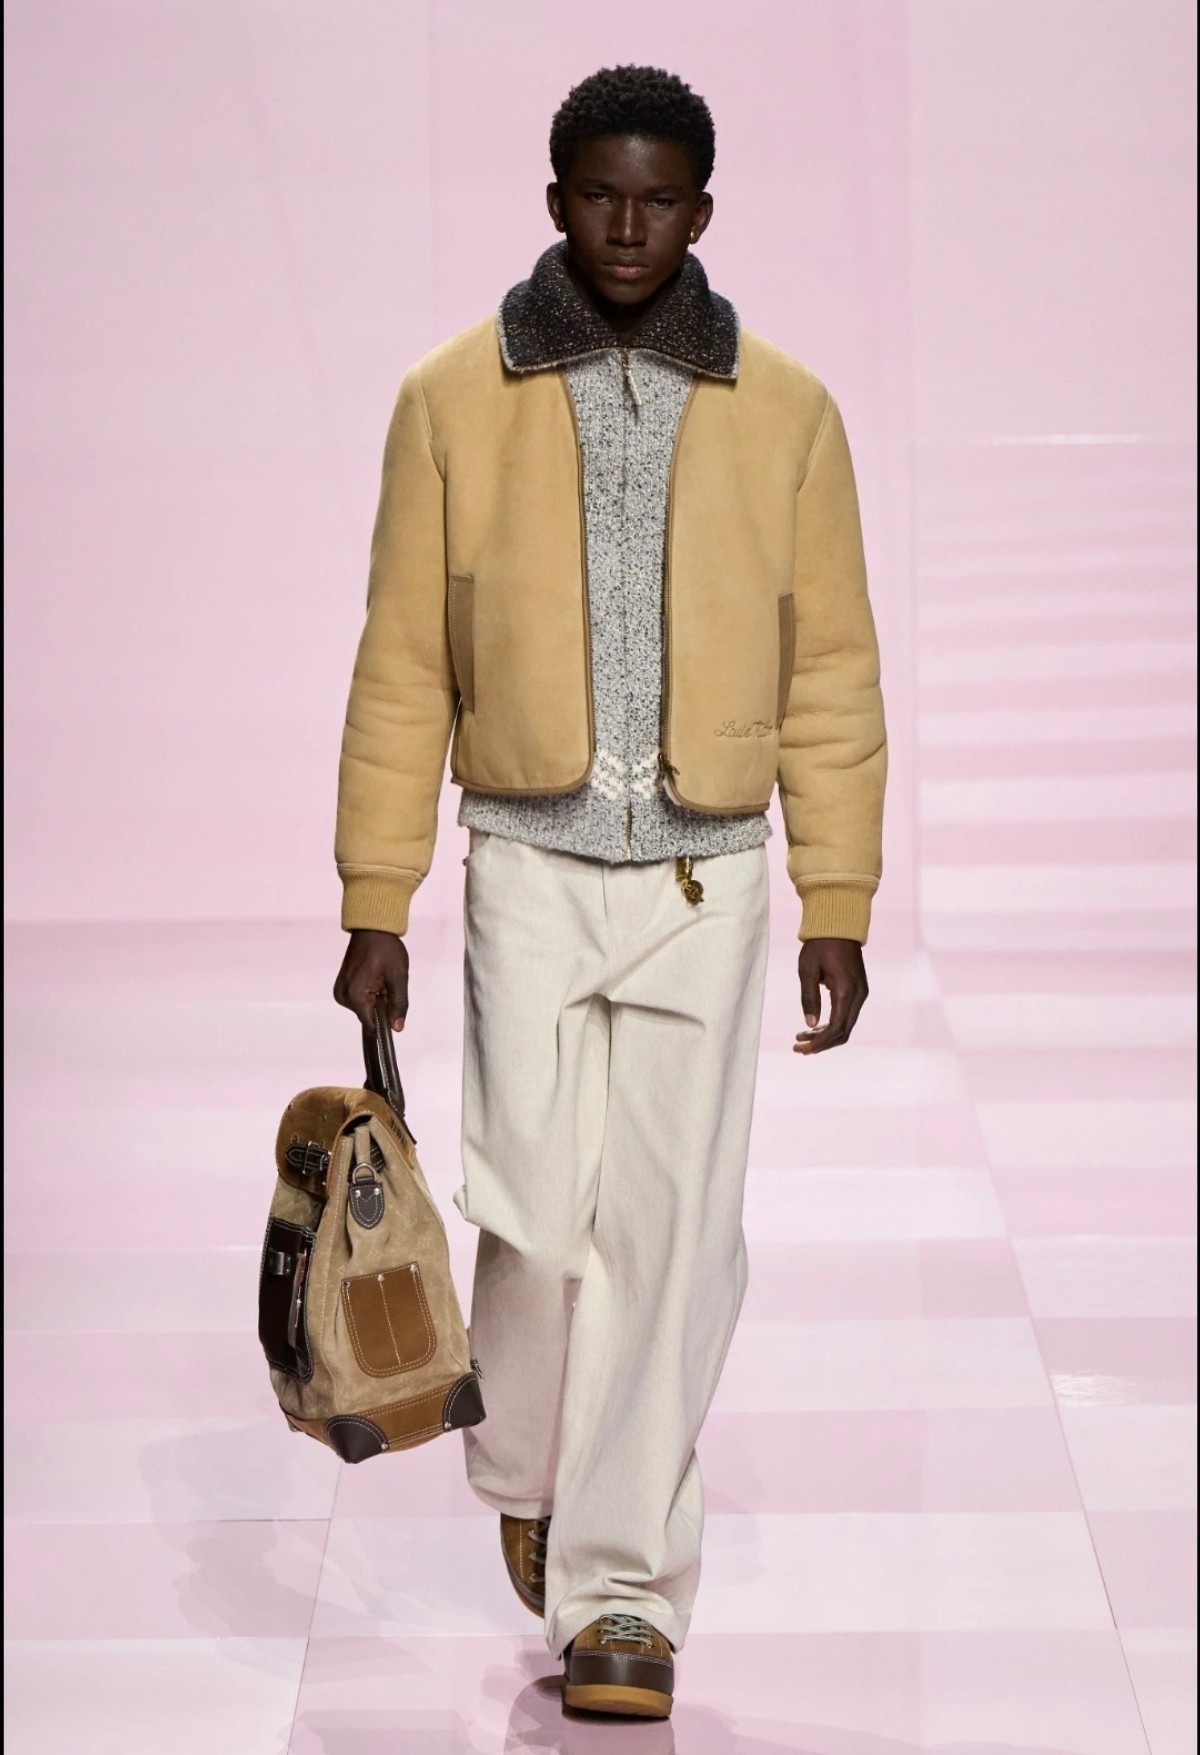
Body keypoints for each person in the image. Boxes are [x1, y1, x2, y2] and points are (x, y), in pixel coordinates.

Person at [333, 64, 886, 1721]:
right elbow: (402, 660)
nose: (628, 227)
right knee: (530, 1218)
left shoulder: (788, 410)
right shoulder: (455, 395)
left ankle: (622, 1589)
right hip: (526, 862)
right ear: (556, 198)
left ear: (702, 211)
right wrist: (377, 896)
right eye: (599, 195)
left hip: (710, 876)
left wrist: (839, 894)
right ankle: (532, 1468)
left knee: (674, 1232)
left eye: (659, 200)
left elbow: (830, 667)